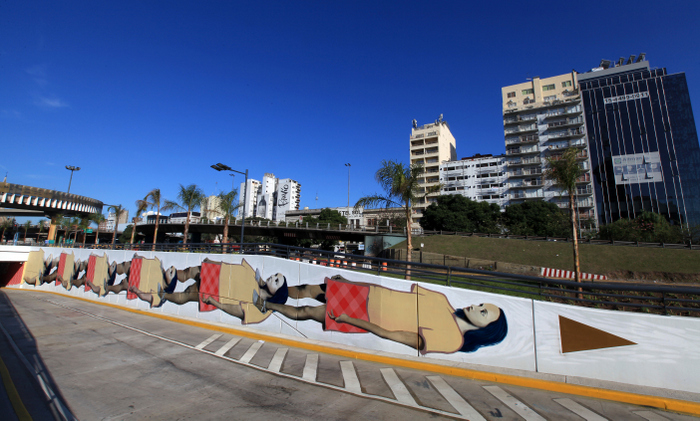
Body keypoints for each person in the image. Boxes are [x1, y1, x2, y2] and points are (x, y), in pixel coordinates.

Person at [260, 275, 507, 354]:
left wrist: (351, 321)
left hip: (365, 315)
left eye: (484, 312)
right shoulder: (442, 301)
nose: (476, 306)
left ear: (486, 329)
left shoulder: (451, 340)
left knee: (307, 311)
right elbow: (388, 290)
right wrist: (349, 281)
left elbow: (392, 335)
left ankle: (268, 305)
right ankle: (269, 291)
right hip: (364, 293)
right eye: (482, 304)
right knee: (309, 290)